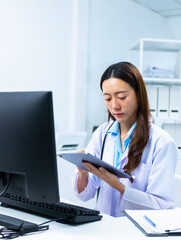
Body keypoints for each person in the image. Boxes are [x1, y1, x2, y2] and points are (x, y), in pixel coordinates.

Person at [72, 61, 178, 217]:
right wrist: (83, 173)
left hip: (138, 231)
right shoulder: (102, 134)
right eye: (107, 98)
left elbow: (161, 207)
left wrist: (119, 186)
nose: (114, 106)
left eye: (121, 97)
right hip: (105, 227)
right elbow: (85, 195)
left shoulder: (161, 142)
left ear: (139, 95)